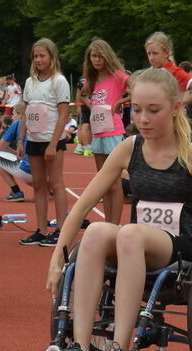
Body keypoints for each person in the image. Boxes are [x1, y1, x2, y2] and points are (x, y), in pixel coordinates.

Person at [41, 68, 192, 351]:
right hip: (135, 244)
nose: (143, 119)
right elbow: (81, 206)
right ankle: (78, 348)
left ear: (175, 108)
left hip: (183, 248)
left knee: (129, 233)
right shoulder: (129, 147)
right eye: (137, 110)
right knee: (96, 230)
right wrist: (57, 260)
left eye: (154, 111)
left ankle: (119, 350)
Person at [18, 38, 71, 247]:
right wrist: (21, 140)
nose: (38, 59)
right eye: (35, 56)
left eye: (42, 56)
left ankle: (61, 230)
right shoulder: (30, 81)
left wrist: (52, 143)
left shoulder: (59, 81)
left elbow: (64, 114)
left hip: (52, 140)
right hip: (33, 140)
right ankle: (41, 229)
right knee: (38, 186)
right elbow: (25, 113)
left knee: (56, 184)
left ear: (51, 57)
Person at [81, 38, 129, 223]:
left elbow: (137, 90)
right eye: (93, 56)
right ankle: (108, 225)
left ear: (107, 56)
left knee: (115, 183)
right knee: (104, 182)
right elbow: (82, 95)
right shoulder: (91, 78)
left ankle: (114, 225)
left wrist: (120, 102)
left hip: (113, 131)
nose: (96, 60)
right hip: (98, 131)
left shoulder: (117, 75)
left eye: (100, 56)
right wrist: (92, 106)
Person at [143, 32, 192, 109]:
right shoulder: (148, 73)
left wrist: (180, 102)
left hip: (171, 119)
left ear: (167, 53)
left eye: (155, 53)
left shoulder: (175, 71)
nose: (151, 58)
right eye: (149, 53)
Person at [0, 102, 33, 201]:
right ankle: (47, 189)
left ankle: (16, 191)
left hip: (28, 172)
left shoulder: (17, 124)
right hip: (44, 175)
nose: (12, 118)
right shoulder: (41, 125)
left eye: (13, 114)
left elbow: (0, 147)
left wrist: (13, 152)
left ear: (21, 114)